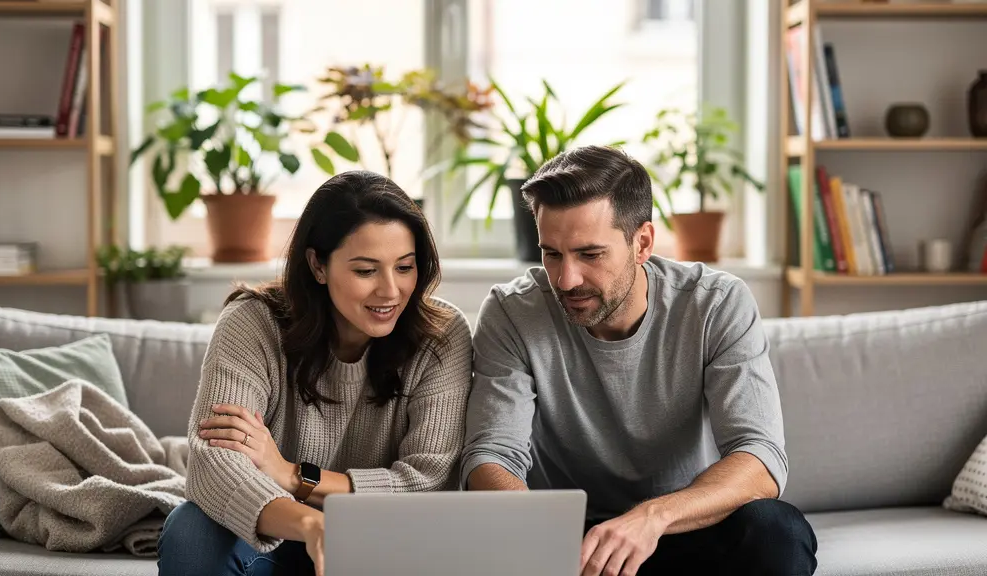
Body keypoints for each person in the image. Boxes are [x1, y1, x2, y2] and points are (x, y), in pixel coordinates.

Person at [459, 145, 817, 576]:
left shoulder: (716, 304)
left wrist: (651, 518)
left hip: (677, 528)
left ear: (642, 242)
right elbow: (492, 455)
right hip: (568, 545)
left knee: (776, 530)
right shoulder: (512, 312)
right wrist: (541, 537)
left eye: (590, 254)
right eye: (551, 253)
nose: (566, 280)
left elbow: (759, 457)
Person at [157, 171, 474, 576]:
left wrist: (294, 476)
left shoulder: (441, 337)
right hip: (278, 529)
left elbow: (427, 483)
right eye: (366, 271)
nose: (391, 290)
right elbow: (212, 462)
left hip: (385, 541)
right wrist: (310, 523)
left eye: (405, 267)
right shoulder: (253, 323)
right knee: (191, 530)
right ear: (317, 265)